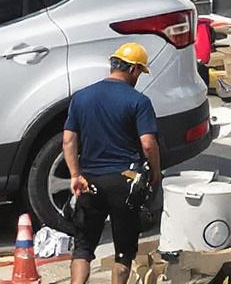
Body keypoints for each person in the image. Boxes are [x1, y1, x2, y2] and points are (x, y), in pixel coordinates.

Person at [62, 42, 162, 284]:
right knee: (124, 250)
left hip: (90, 180)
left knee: (83, 247)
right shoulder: (138, 101)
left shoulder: (82, 97)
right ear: (134, 69)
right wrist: (156, 173)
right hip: (124, 182)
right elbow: (148, 144)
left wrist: (75, 174)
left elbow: (68, 140)